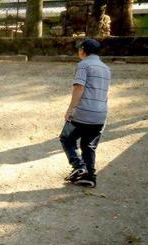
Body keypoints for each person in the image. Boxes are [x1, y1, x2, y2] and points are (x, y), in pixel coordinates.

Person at [59, 38, 111, 188]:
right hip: (100, 115)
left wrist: (70, 109)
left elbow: (79, 88)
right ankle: (90, 176)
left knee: (66, 138)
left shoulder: (83, 65)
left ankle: (79, 166)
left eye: (79, 49)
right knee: (88, 146)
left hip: (83, 113)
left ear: (82, 50)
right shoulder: (106, 68)